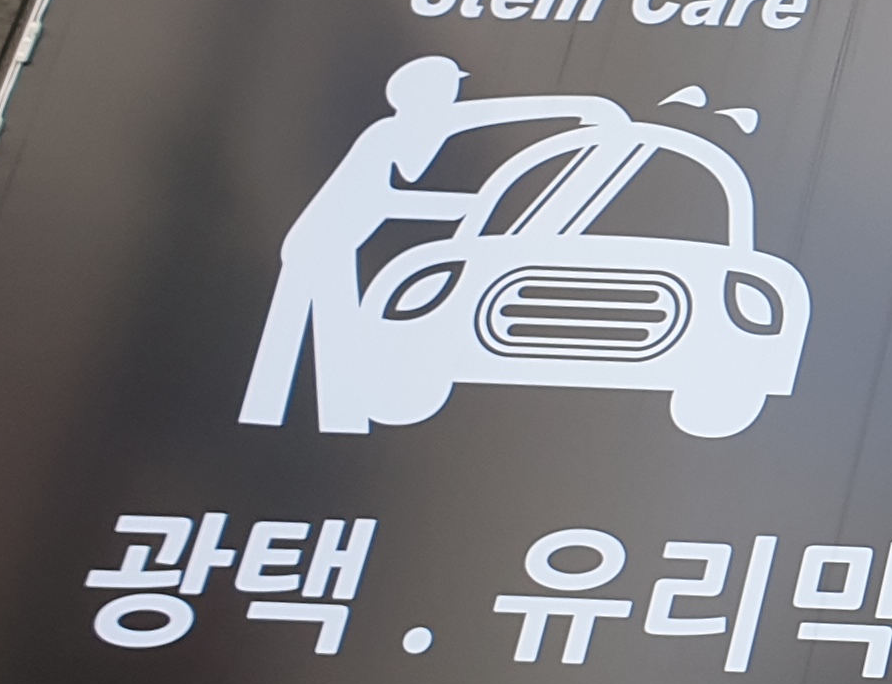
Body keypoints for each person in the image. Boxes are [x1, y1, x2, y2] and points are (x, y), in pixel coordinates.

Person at [240, 56, 618, 430]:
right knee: (317, 338)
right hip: (320, 244)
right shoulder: (385, 136)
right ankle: (325, 420)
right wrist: (468, 206)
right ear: (429, 93)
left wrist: (580, 108)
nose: (454, 95)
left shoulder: (414, 126)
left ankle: (326, 418)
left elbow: (475, 116)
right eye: (449, 87)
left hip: (335, 245)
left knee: (324, 339)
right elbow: (380, 200)